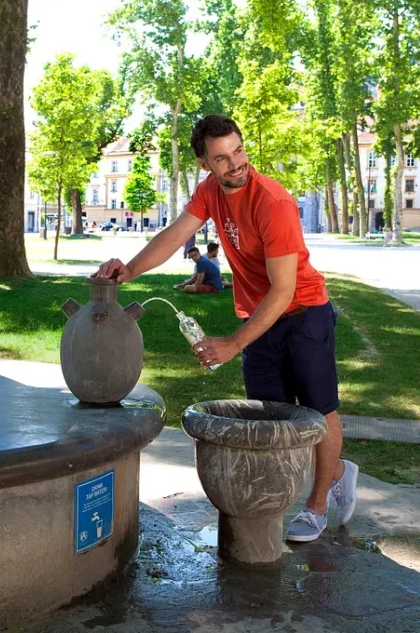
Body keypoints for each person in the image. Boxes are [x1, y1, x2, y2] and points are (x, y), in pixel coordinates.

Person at [95, 115, 356, 543]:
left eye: (238, 151)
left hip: (304, 312)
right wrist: (131, 269)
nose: (235, 163)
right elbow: (174, 234)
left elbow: (283, 290)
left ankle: (316, 506)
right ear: (204, 164)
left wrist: (234, 344)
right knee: (273, 420)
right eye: (222, 158)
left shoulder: (273, 202)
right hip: (259, 317)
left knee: (318, 413)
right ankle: (335, 473)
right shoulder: (209, 192)